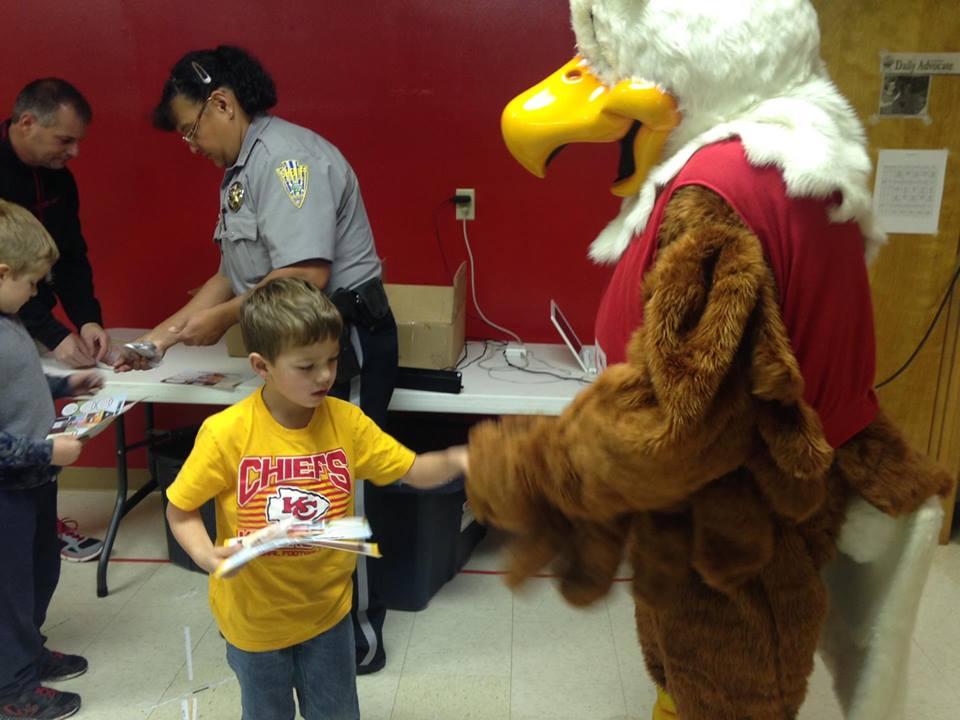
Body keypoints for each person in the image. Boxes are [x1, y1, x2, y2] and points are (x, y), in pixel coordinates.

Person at [123, 44, 401, 675]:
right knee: (302, 484)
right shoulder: (243, 173)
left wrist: (219, 321)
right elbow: (232, 271)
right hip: (295, 344)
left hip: (339, 341)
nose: (191, 144)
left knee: (340, 486)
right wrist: (161, 337)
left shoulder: (286, 161)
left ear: (222, 103)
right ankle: (301, 610)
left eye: (191, 128)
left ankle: (357, 635)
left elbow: (304, 274)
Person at [165, 278, 468, 720]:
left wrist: (460, 458)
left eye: (332, 360)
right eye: (306, 366)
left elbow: (413, 470)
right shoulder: (225, 434)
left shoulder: (348, 422)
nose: (325, 376)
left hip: (328, 616)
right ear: (261, 365)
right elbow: (181, 509)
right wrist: (208, 556)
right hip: (254, 622)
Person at [0, 199, 104, 720]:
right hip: (8, 490)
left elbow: (19, 379)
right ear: (2, 272)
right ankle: (11, 691)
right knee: (9, 592)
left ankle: (27, 655)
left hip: (35, 481)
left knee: (40, 573)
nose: (38, 292)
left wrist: (66, 382)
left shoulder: (8, 318)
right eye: (32, 282)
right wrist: (47, 449)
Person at [0, 78, 107, 564]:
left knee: (30, 404)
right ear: (26, 123)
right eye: (65, 139)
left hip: (26, 311)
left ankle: (42, 525)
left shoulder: (59, 177)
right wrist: (54, 333)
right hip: (14, 310)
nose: (76, 151)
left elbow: (71, 257)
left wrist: (86, 320)